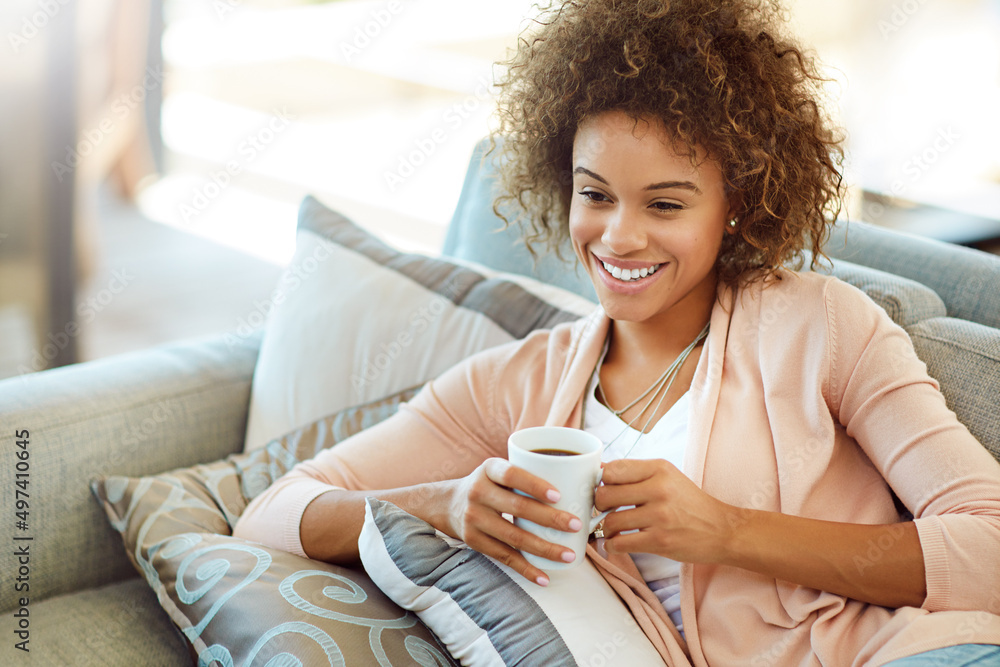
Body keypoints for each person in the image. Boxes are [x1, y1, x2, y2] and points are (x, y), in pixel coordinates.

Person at [234, 0, 1000, 664]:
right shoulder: (514, 384)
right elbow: (271, 513)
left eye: (664, 205)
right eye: (595, 195)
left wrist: (725, 530)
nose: (618, 237)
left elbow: (990, 544)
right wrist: (444, 504)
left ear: (735, 204)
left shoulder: (823, 325)